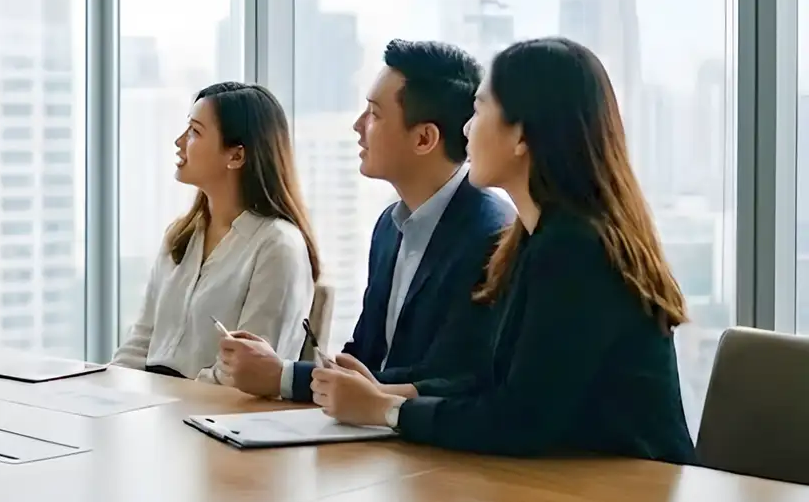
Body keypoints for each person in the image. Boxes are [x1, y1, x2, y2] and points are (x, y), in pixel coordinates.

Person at [313, 37, 695, 463]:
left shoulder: (575, 250)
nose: (466, 129)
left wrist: (386, 410)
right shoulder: (534, 239)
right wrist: (383, 393)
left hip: (626, 495)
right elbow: (492, 383)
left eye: (478, 111)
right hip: (573, 484)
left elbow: (517, 420)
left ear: (521, 137)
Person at [218, 40, 512, 402]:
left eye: (374, 113)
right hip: (371, 433)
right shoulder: (390, 225)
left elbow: (452, 376)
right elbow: (364, 357)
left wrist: (284, 376)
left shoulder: (491, 234)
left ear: (424, 138)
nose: (358, 125)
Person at [112, 82, 320, 382]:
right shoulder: (181, 234)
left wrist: (164, 401)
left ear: (236, 156)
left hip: (212, 415)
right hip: (155, 408)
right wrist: (108, 392)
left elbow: (247, 369)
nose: (179, 141)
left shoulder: (278, 246)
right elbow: (141, 341)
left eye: (195, 132)